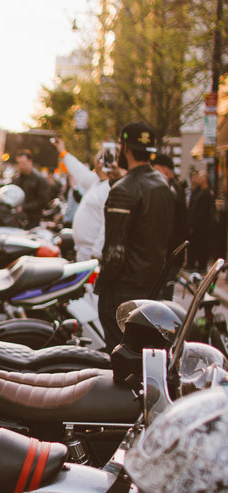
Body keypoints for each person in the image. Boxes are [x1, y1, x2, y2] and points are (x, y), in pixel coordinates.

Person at [95, 121, 175, 350]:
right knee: (144, 354)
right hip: (153, 285)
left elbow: (114, 251)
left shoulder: (124, 189)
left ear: (125, 147)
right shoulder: (163, 184)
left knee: (122, 355)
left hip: (124, 289)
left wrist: (101, 286)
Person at [52, 137, 124, 262]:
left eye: (100, 158)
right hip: (83, 251)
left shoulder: (111, 189)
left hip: (93, 254)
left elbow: (107, 224)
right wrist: (63, 152)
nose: (96, 161)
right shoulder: (96, 182)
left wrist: (97, 253)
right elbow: (79, 171)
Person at [151, 152, 189, 291]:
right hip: (172, 250)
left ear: (164, 169)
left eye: (155, 168)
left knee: (164, 291)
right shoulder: (173, 187)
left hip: (170, 251)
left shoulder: (169, 189)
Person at [11, 149, 50, 228]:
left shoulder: (40, 180)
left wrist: (24, 207)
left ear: (30, 161)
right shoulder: (16, 179)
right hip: (16, 219)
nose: (21, 166)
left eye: (23, 163)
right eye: (19, 163)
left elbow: (43, 202)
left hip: (32, 220)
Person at [186, 167, 215, 270]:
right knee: (196, 246)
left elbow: (201, 211)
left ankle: (201, 266)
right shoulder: (198, 191)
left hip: (202, 226)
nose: (198, 178)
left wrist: (193, 224)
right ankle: (195, 265)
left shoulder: (206, 193)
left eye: (200, 176)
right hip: (198, 225)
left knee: (201, 246)